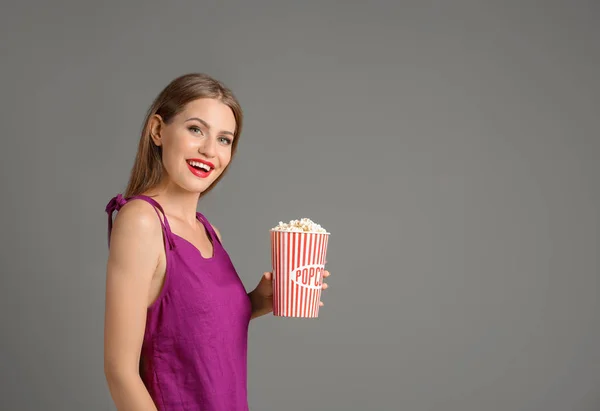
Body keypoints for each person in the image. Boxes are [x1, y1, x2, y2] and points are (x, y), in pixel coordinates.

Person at [102, 73, 330, 410]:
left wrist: (257, 302)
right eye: (196, 130)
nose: (210, 150)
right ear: (158, 130)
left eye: (224, 139)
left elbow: (191, 326)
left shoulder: (209, 232)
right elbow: (120, 370)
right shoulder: (142, 222)